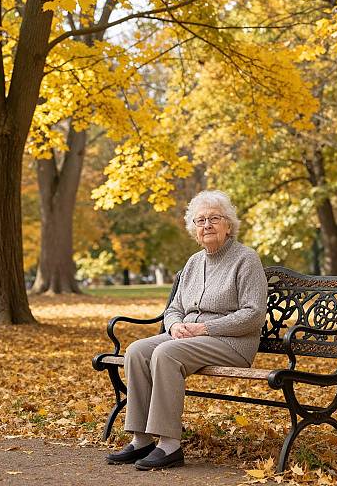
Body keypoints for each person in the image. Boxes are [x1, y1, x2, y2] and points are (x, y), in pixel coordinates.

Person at [106, 190, 268, 470]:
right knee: (136, 351)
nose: (206, 225)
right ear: (193, 228)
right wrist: (175, 324)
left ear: (228, 225)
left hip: (232, 343)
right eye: (200, 220)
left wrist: (204, 328)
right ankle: (141, 438)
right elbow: (174, 308)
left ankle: (169, 445)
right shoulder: (194, 262)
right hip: (188, 338)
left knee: (167, 354)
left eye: (214, 218)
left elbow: (253, 315)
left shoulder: (246, 259)